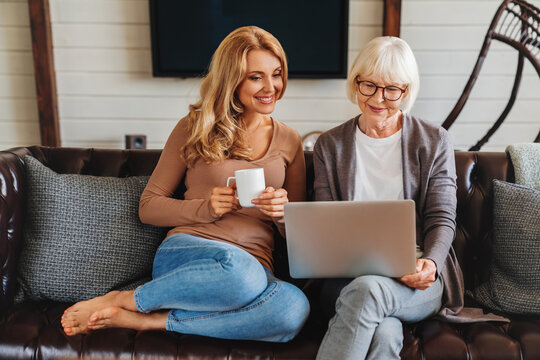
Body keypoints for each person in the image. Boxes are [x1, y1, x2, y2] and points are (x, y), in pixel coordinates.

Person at [61, 26, 310, 341]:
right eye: (256, 77)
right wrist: (205, 209)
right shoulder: (194, 127)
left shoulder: (290, 140)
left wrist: (283, 214)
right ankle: (125, 298)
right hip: (191, 252)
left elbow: (301, 239)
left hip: (255, 268)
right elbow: (148, 207)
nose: (271, 86)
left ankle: (149, 321)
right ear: (231, 80)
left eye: (276, 74)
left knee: (293, 310)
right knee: (240, 273)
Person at [314, 36, 461, 359]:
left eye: (392, 89)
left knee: (369, 295)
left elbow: (441, 216)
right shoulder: (329, 146)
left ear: (406, 92)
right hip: (346, 279)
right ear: (356, 83)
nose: (379, 98)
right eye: (369, 85)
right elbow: (325, 225)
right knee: (384, 330)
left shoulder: (434, 140)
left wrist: (431, 263)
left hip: (415, 279)